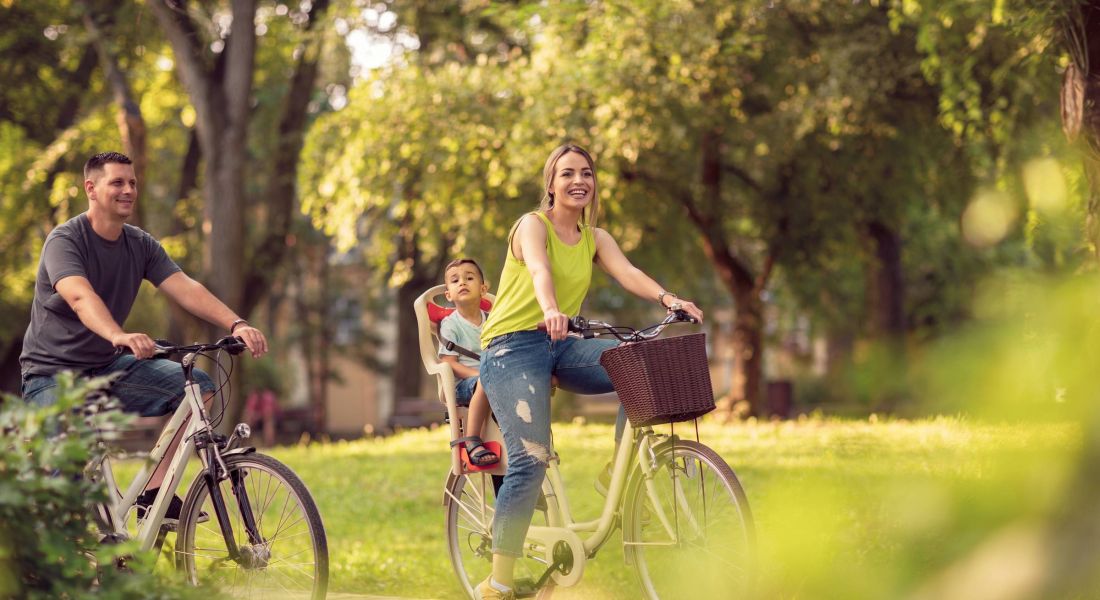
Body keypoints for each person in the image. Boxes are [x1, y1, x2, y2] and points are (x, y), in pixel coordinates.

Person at [474, 143, 704, 599]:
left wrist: (669, 300)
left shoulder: (596, 238)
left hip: (560, 344)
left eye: (586, 173)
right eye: (568, 174)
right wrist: (552, 308)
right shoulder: (531, 226)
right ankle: (498, 582)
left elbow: (628, 272)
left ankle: (611, 468)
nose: (579, 181)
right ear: (551, 184)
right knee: (529, 460)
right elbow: (539, 269)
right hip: (510, 347)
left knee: (638, 365)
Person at [19, 151, 269, 525]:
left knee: (197, 387)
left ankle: (153, 494)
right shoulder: (65, 241)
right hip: (52, 375)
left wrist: (236, 324)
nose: (128, 190)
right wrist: (118, 334)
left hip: (106, 367)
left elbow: (184, 287)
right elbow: (79, 296)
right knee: (64, 484)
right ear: (91, 188)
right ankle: (46, 565)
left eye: (132, 182)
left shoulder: (139, 244)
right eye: (117, 182)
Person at [438, 258, 499, 467]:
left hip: (494, 378)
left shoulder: (493, 320)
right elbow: (449, 362)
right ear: (448, 295)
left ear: (483, 289)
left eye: (469, 278)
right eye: (455, 281)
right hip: (464, 385)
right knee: (486, 381)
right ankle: (472, 440)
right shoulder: (451, 324)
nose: (462, 282)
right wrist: (481, 375)